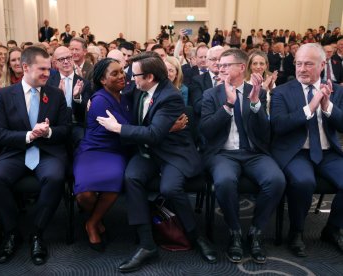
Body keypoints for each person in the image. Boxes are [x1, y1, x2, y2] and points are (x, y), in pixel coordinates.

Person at [97, 52, 217, 273]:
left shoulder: (170, 96)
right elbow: (107, 88)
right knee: (131, 177)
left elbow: (153, 134)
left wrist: (118, 128)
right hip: (148, 151)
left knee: (170, 188)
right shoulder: (139, 87)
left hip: (172, 152)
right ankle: (146, 244)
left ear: (150, 77)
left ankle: (196, 236)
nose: (130, 80)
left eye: (135, 76)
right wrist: (90, 101)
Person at [200, 48, 286, 264]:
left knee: (276, 180)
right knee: (225, 181)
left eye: (226, 65)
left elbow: (265, 134)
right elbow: (206, 131)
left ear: (240, 67)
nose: (221, 69)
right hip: (223, 153)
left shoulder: (256, 90)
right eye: (220, 65)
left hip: (253, 152)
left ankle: (256, 231)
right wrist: (228, 105)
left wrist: (256, 103)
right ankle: (234, 232)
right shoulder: (212, 94)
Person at [0, 46, 70, 265]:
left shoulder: (56, 94)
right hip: (16, 150)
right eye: (42, 69)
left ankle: (37, 233)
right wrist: (28, 135)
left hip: (47, 151)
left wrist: (49, 131)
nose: (47, 73)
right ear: (25, 67)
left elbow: (66, 129)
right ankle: (12, 232)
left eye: (48, 68)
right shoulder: (4, 95)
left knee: (54, 178)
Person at [270, 43, 343, 257]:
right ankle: (297, 231)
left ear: (322, 65)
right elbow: (278, 125)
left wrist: (328, 106)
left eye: (308, 64)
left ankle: (332, 229)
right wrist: (310, 108)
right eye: (298, 63)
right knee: (304, 182)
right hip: (296, 152)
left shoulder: (336, 91)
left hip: (327, 151)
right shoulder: (282, 92)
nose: (302, 69)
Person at [74, 58, 132, 252]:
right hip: (93, 150)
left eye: (122, 71)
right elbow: (127, 128)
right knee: (84, 195)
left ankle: (92, 223)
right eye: (114, 74)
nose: (121, 76)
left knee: (113, 182)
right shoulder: (99, 100)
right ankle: (96, 218)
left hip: (114, 151)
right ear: (102, 80)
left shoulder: (123, 96)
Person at [47, 46, 92, 148]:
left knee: (81, 140)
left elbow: (86, 110)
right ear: (55, 63)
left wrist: (77, 97)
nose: (66, 62)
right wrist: (59, 97)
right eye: (62, 59)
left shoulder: (84, 83)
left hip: (76, 124)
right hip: (56, 124)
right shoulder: (49, 83)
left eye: (69, 58)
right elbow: (47, 110)